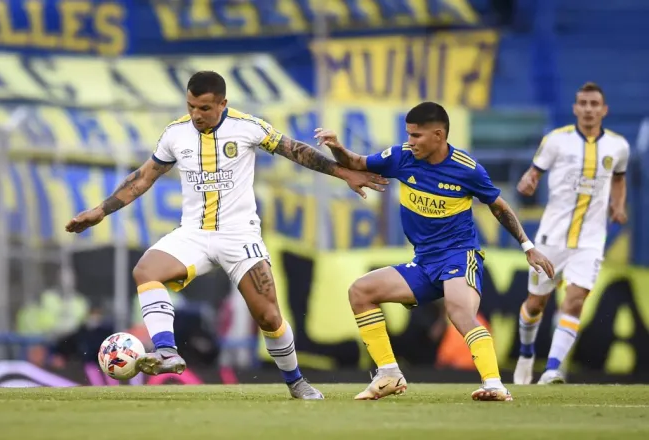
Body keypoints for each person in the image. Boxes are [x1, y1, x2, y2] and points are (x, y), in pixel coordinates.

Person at [65, 71, 388, 399]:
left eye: (204, 108)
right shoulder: (175, 134)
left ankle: (296, 382)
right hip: (193, 233)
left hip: (239, 236)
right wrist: (99, 211)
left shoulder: (248, 127)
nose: (196, 115)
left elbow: (295, 150)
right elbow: (143, 177)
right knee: (145, 271)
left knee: (269, 316)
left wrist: (344, 172)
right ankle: (166, 351)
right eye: (191, 106)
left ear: (223, 103)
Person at [314, 101, 554, 401]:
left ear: (438, 136)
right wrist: (336, 146)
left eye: (417, 136)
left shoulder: (468, 170)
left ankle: (494, 384)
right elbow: (357, 162)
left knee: (459, 312)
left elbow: (499, 207)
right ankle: (388, 374)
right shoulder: (401, 156)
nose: (410, 141)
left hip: (458, 255)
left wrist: (527, 247)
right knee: (360, 292)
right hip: (425, 262)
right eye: (409, 134)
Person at [513, 82, 629, 385]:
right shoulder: (556, 141)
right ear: (576, 108)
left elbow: (619, 178)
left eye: (594, 104)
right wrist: (529, 180)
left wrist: (618, 205)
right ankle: (526, 354)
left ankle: (552, 368)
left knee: (574, 301)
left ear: (604, 110)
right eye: (583, 103)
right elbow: (534, 172)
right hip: (552, 238)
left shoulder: (618, 146)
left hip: (590, 240)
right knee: (535, 304)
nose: (589, 109)